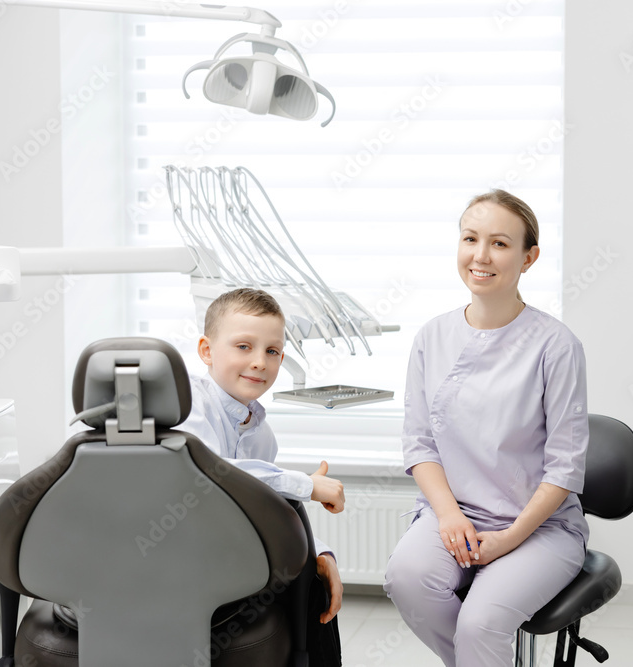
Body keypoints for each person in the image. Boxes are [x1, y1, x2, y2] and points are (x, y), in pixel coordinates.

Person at [383, 190, 589, 667]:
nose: (480, 255)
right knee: (406, 579)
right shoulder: (431, 337)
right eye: (470, 238)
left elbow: (565, 467)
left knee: (481, 624)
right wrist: (450, 516)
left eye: (499, 243)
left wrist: (509, 538)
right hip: (452, 512)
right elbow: (419, 443)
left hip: (539, 527)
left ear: (528, 258)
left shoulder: (556, 346)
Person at [179, 287, 345, 624]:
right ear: (206, 351)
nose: (259, 361)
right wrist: (305, 485)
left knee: (315, 586)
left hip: (231, 554)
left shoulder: (260, 433)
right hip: (184, 558)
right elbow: (213, 473)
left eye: (272, 351)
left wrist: (320, 551)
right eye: (244, 347)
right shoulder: (190, 402)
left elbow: (269, 505)